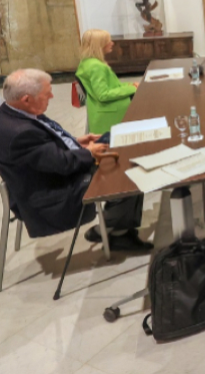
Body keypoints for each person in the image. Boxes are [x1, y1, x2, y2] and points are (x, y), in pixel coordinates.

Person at [0, 69, 151, 250]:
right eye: (47, 94)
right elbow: (63, 164)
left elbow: (43, 150)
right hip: (53, 192)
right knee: (128, 172)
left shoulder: (13, 112)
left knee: (117, 140)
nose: (52, 96)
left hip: (51, 171)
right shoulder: (20, 133)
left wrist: (77, 141)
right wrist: (89, 152)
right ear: (26, 99)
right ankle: (117, 232)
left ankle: (116, 221)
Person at [76, 29, 138, 135]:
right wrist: (133, 88)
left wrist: (129, 85)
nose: (112, 43)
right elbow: (103, 95)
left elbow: (110, 86)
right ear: (99, 45)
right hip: (110, 111)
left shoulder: (86, 62)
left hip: (97, 108)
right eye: (108, 41)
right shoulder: (96, 66)